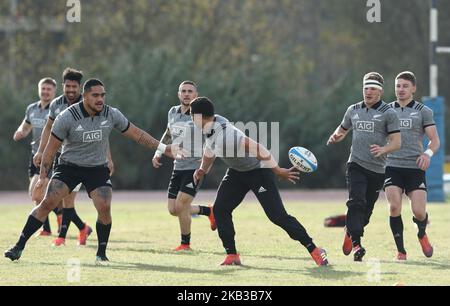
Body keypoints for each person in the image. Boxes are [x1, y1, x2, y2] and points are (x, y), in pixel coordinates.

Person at [4, 78, 182, 264]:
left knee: (104, 206)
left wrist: (164, 148)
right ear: (85, 96)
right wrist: (42, 177)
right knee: (48, 203)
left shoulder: (111, 114)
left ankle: (101, 253)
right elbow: (50, 150)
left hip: (97, 168)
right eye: (95, 95)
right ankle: (18, 246)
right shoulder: (66, 117)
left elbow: (137, 134)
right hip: (68, 167)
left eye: (103, 95)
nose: (100, 99)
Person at [190, 97, 328, 266]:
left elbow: (258, 148)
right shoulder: (210, 125)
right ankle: (232, 255)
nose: (191, 120)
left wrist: (277, 170)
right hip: (237, 173)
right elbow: (209, 148)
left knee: (277, 216)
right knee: (220, 209)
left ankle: (314, 249)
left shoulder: (227, 135)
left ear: (200, 117)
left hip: (259, 171)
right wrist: (203, 169)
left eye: (192, 116)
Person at [327, 72, 401, 261]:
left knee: (365, 213)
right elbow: (342, 128)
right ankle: (357, 245)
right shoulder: (353, 109)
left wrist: (384, 149)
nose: (368, 92)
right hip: (356, 164)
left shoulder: (388, 113)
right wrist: (337, 135)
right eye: (365, 88)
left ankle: (349, 231)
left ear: (380, 91)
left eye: (372, 89)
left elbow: (396, 142)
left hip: (377, 170)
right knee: (356, 202)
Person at [34, 68, 99, 246]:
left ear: (80, 88)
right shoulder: (56, 104)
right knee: (58, 198)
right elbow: (48, 128)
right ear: (63, 85)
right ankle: (82, 228)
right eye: (68, 86)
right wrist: (41, 151)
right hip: (61, 158)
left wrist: (106, 156)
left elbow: (101, 131)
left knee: (67, 199)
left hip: (81, 159)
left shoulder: (88, 103)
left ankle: (62, 237)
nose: (71, 90)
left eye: (74, 87)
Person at [152, 81, 215, 251]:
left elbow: (212, 139)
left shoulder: (201, 114)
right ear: (178, 94)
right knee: (173, 209)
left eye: (190, 91)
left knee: (181, 207)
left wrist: (205, 163)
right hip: (177, 166)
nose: (186, 94)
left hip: (194, 168)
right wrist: (158, 152)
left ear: (196, 94)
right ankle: (208, 211)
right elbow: (168, 133)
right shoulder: (172, 112)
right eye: (183, 91)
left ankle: (185, 244)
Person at [385, 71, 440, 260]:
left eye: (405, 86)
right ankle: (401, 251)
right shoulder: (385, 110)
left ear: (413, 89)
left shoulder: (424, 111)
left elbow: (435, 140)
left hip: (415, 167)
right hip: (391, 166)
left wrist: (427, 153)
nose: (400, 89)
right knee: (394, 207)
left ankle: (422, 234)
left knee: (418, 211)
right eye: (398, 85)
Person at [13, 77, 62, 236]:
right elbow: (26, 126)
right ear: (39, 90)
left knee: (37, 193)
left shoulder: (55, 109)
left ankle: (63, 216)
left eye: (49, 89)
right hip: (35, 155)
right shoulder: (32, 108)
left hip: (50, 156)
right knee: (36, 195)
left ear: (54, 92)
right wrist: (20, 132)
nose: (46, 92)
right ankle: (46, 228)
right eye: (43, 88)